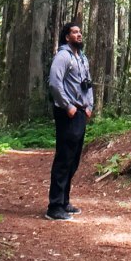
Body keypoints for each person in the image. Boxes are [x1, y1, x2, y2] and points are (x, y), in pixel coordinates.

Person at [45, 21, 94, 220]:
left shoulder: (82, 58)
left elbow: (88, 84)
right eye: (74, 32)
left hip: (81, 114)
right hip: (67, 114)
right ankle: (54, 206)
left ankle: (64, 202)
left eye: (80, 32)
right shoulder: (62, 56)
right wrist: (68, 106)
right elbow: (55, 83)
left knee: (73, 160)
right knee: (64, 158)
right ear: (67, 37)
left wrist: (89, 106)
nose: (79, 35)